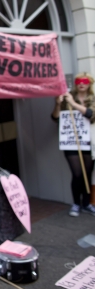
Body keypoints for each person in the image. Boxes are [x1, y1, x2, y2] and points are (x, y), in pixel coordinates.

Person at [51, 72, 95, 217]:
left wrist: (73, 104)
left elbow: (91, 114)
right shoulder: (66, 98)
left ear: (89, 83)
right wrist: (58, 103)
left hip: (89, 141)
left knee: (87, 173)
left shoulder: (92, 99)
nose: (81, 83)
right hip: (71, 141)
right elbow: (55, 118)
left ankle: (87, 203)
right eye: (78, 81)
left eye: (85, 81)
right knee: (77, 174)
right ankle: (76, 203)